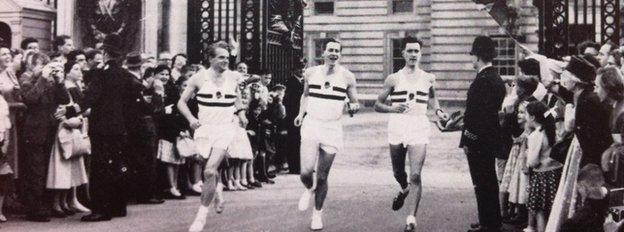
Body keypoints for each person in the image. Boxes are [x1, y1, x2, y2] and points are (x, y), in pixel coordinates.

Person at [60, 34, 144, 222]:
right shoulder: (125, 75)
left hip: (102, 127)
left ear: (105, 53)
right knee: (117, 166)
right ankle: (117, 206)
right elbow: (132, 104)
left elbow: (90, 98)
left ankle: (101, 209)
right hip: (120, 127)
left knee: (100, 168)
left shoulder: (101, 73)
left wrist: (69, 110)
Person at [373, 36, 447, 232]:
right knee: (398, 172)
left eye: (417, 51)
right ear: (403, 53)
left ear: (420, 54)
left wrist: (439, 112)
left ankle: (411, 218)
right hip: (398, 125)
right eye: (410, 51)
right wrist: (392, 109)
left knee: (416, 174)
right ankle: (404, 188)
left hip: (419, 126)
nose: (413, 54)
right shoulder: (393, 78)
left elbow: (432, 100)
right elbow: (377, 104)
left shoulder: (428, 78)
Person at [178, 41, 247, 232]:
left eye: (227, 57)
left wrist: (241, 114)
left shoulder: (233, 77)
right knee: (209, 170)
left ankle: (201, 217)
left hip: (225, 129)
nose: (226, 61)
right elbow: (181, 103)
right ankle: (217, 190)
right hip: (204, 130)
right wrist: (191, 118)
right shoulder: (199, 78)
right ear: (210, 58)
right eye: (221, 57)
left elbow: (238, 99)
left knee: (209, 171)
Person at [293, 38, 360, 231]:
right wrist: (300, 113)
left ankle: (317, 214)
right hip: (312, 124)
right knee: (305, 172)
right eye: (330, 50)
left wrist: (352, 107)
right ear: (323, 52)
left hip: (332, 128)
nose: (333, 54)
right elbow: (305, 95)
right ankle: (308, 188)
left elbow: (355, 103)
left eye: (337, 51)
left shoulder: (348, 77)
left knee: (322, 177)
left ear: (340, 54)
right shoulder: (311, 72)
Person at [460, 35, 506, 232]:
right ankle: (491, 220)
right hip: (490, 138)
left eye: (473, 56)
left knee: (482, 183)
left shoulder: (482, 81)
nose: (471, 60)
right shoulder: (496, 78)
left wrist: (468, 139)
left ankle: (488, 224)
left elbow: (475, 116)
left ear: (477, 57)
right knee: (488, 181)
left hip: (479, 140)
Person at [20, 60, 69, 222]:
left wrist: (60, 82)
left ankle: (44, 205)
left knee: (44, 170)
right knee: (36, 171)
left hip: (49, 131)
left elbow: (64, 100)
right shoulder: (27, 83)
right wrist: (42, 77)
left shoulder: (50, 84)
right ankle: (34, 209)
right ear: (32, 67)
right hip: (33, 132)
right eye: (40, 65)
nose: (44, 69)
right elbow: (31, 99)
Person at [46, 61, 90, 218]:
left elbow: (68, 102)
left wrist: (75, 118)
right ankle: (56, 202)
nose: (57, 73)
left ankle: (65, 201)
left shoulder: (64, 87)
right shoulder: (53, 86)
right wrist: (66, 119)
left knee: (70, 167)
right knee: (60, 168)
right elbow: (56, 109)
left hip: (70, 128)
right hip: (60, 130)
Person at [525, 101, 562, 232]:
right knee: (553, 209)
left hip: (541, 175)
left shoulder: (535, 135)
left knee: (540, 210)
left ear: (532, 117)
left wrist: (527, 161)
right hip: (556, 172)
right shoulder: (551, 130)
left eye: (526, 114)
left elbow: (533, 161)